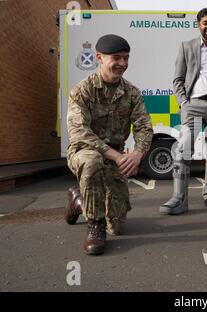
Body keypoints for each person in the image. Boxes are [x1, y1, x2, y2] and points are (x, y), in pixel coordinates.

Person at [65, 34, 154, 255]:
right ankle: (94, 225)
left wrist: (137, 154)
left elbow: (144, 127)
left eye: (126, 58)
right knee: (92, 160)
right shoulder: (82, 90)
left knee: (117, 227)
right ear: (99, 58)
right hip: (83, 151)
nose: (123, 63)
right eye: (116, 58)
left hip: (117, 155)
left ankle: (79, 200)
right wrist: (116, 155)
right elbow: (79, 131)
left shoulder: (132, 92)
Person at [160, 8, 207, 215]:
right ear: (198, 24)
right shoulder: (187, 46)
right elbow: (178, 79)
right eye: (205, 23)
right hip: (193, 105)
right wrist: (183, 102)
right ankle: (179, 198)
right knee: (184, 148)